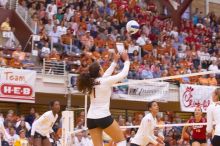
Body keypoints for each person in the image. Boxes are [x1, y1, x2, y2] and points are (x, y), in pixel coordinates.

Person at [77, 51, 130, 146]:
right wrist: (126, 61)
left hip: (91, 118)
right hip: (103, 116)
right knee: (121, 141)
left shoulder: (91, 82)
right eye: (101, 68)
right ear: (99, 71)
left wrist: (114, 62)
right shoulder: (105, 81)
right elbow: (124, 73)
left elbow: (105, 75)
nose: (102, 69)